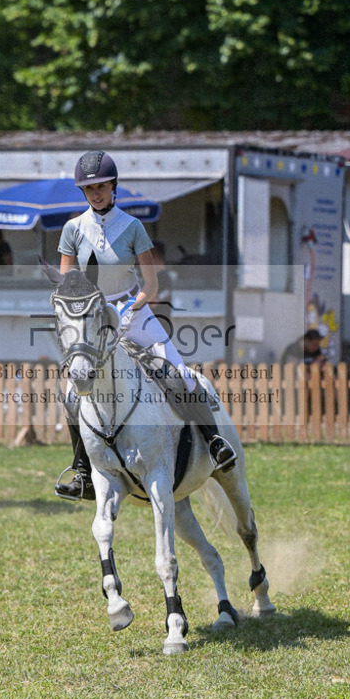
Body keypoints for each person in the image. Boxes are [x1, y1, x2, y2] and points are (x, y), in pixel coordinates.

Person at [54, 149, 237, 500]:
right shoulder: (73, 229)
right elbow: (68, 283)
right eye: (89, 189)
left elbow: (150, 285)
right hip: (92, 317)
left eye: (102, 186)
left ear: (113, 186)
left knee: (178, 372)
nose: (96, 194)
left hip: (133, 309)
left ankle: (214, 444)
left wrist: (127, 313)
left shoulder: (133, 226)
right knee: (71, 390)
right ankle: (81, 471)